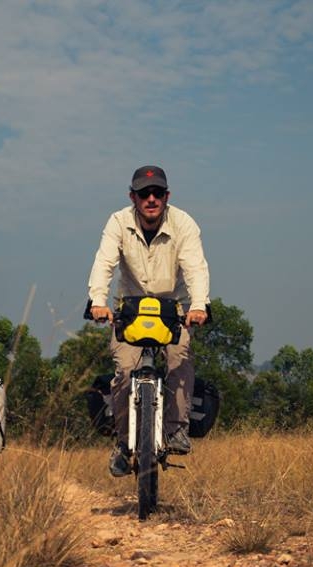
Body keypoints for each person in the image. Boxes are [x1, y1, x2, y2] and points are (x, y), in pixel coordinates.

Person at [87, 165, 210, 477]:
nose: (151, 199)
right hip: (129, 309)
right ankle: (123, 441)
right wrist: (98, 301)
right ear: (133, 197)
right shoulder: (118, 221)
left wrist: (198, 305)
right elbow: (104, 263)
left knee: (178, 357)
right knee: (125, 369)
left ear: (167, 196)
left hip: (173, 309)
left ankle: (176, 430)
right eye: (144, 193)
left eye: (157, 193)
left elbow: (195, 267)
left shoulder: (184, 224)